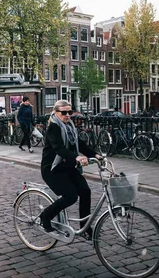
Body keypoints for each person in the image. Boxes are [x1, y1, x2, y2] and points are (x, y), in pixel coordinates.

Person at [39, 99, 99, 237]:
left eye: (69, 112)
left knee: (85, 191)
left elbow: (80, 144)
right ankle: (45, 216)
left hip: (68, 167)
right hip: (53, 170)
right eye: (64, 112)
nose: (67, 115)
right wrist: (76, 157)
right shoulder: (53, 127)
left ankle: (85, 228)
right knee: (70, 196)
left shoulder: (70, 126)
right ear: (56, 112)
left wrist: (95, 155)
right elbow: (58, 148)